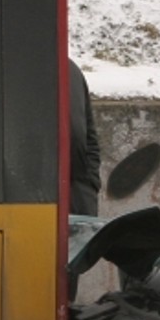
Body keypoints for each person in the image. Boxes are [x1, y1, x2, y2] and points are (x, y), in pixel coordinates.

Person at [67, 58, 101, 217]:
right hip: (40, 197)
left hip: (79, 194)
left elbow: (89, 136)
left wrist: (90, 183)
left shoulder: (71, 70)